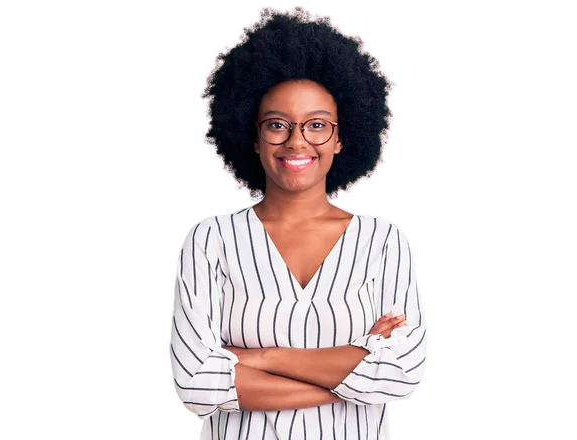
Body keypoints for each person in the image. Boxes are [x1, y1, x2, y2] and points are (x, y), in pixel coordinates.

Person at [169, 7, 427, 440]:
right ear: (252, 136)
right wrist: (356, 368)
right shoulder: (211, 240)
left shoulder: (383, 242)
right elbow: (196, 382)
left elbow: (401, 373)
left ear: (342, 137)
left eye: (317, 125)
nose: (296, 140)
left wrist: (261, 358)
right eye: (276, 124)